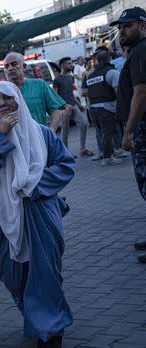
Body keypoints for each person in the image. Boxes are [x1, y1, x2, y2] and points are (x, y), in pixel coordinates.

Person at [0, 81, 75, 348]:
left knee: (45, 273)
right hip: (4, 217)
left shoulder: (41, 134)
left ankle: (52, 336)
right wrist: (1, 135)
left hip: (39, 212)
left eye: (7, 98)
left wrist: (34, 185)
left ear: (18, 99)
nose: (1, 105)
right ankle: (39, 321)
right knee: (13, 274)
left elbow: (66, 165)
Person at [112, 7, 146, 263]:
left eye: (127, 25)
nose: (122, 30)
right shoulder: (136, 52)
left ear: (142, 25)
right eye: (120, 27)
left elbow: (141, 93)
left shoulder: (141, 52)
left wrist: (129, 130)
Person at [3, 52, 68, 130]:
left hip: (39, 139)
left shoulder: (40, 85)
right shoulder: (1, 92)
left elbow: (56, 110)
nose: (10, 68)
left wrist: (51, 131)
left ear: (24, 67)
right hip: (15, 141)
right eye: (6, 66)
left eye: (14, 64)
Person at [83, 50, 124, 167]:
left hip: (93, 109)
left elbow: (85, 92)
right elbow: (119, 93)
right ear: (109, 59)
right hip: (107, 108)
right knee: (107, 133)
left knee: (103, 133)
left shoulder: (90, 75)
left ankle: (108, 152)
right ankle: (107, 158)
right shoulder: (112, 72)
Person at [54, 57, 93, 156]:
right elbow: (55, 96)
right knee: (65, 131)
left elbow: (71, 93)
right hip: (64, 109)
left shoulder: (70, 77)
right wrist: (63, 106)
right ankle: (65, 153)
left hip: (74, 105)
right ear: (62, 65)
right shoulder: (57, 79)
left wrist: (79, 105)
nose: (71, 65)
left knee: (84, 124)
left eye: (71, 63)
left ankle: (82, 149)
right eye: (68, 63)